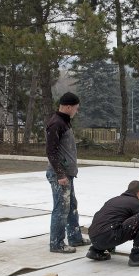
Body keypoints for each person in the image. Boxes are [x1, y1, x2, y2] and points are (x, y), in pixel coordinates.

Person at [45, 92, 90, 253]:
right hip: (60, 175)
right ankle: (56, 243)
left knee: (71, 205)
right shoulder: (56, 123)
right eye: (76, 108)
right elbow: (51, 151)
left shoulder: (64, 122)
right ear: (68, 106)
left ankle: (75, 237)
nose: (76, 111)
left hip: (67, 174)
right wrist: (60, 174)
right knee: (61, 208)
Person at [86, 180, 139, 267]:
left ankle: (95, 251)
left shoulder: (113, 200)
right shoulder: (135, 203)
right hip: (109, 236)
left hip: (94, 238)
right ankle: (137, 258)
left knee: (111, 223)